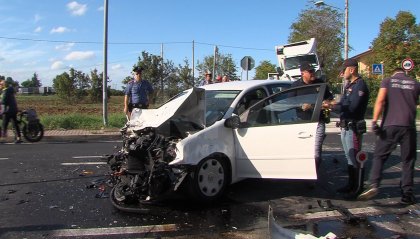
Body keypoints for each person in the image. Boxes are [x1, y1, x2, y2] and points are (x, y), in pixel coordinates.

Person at [358, 68, 419, 205]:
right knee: (408, 161)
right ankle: (407, 194)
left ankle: (374, 184)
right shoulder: (414, 83)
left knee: (380, 155)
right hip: (408, 126)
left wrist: (374, 121)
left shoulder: (388, 81)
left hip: (390, 125)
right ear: (405, 73)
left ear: (394, 73)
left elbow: (380, 101)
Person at [332, 58, 369, 199]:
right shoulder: (349, 86)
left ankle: (358, 187)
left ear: (352, 69)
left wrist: (332, 106)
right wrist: (334, 105)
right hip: (345, 126)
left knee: (355, 158)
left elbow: (352, 107)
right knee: (349, 157)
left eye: (344, 69)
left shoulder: (360, 86)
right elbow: (342, 103)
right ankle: (350, 185)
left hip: (353, 127)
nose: (343, 72)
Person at [290, 62, 334, 175]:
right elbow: (289, 103)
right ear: (302, 73)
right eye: (309, 71)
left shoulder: (320, 84)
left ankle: (313, 175)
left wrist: (326, 103)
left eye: (313, 71)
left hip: (318, 122)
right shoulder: (295, 86)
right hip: (301, 123)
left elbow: (330, 100)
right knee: (303, 151)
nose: (312, 73)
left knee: (316, 153)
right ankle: (303, 173)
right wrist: (300, 105)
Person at [0, 79, 22, 143]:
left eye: (0, 84)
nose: (0, 85)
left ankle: (2, 139)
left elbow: (3, 101)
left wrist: (2, 111)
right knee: (15, 124)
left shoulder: (5, 91)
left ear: (3, 85)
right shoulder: (9, 90)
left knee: (4, 124)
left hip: (8, 110)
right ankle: (18, 138)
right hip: (13, 109)